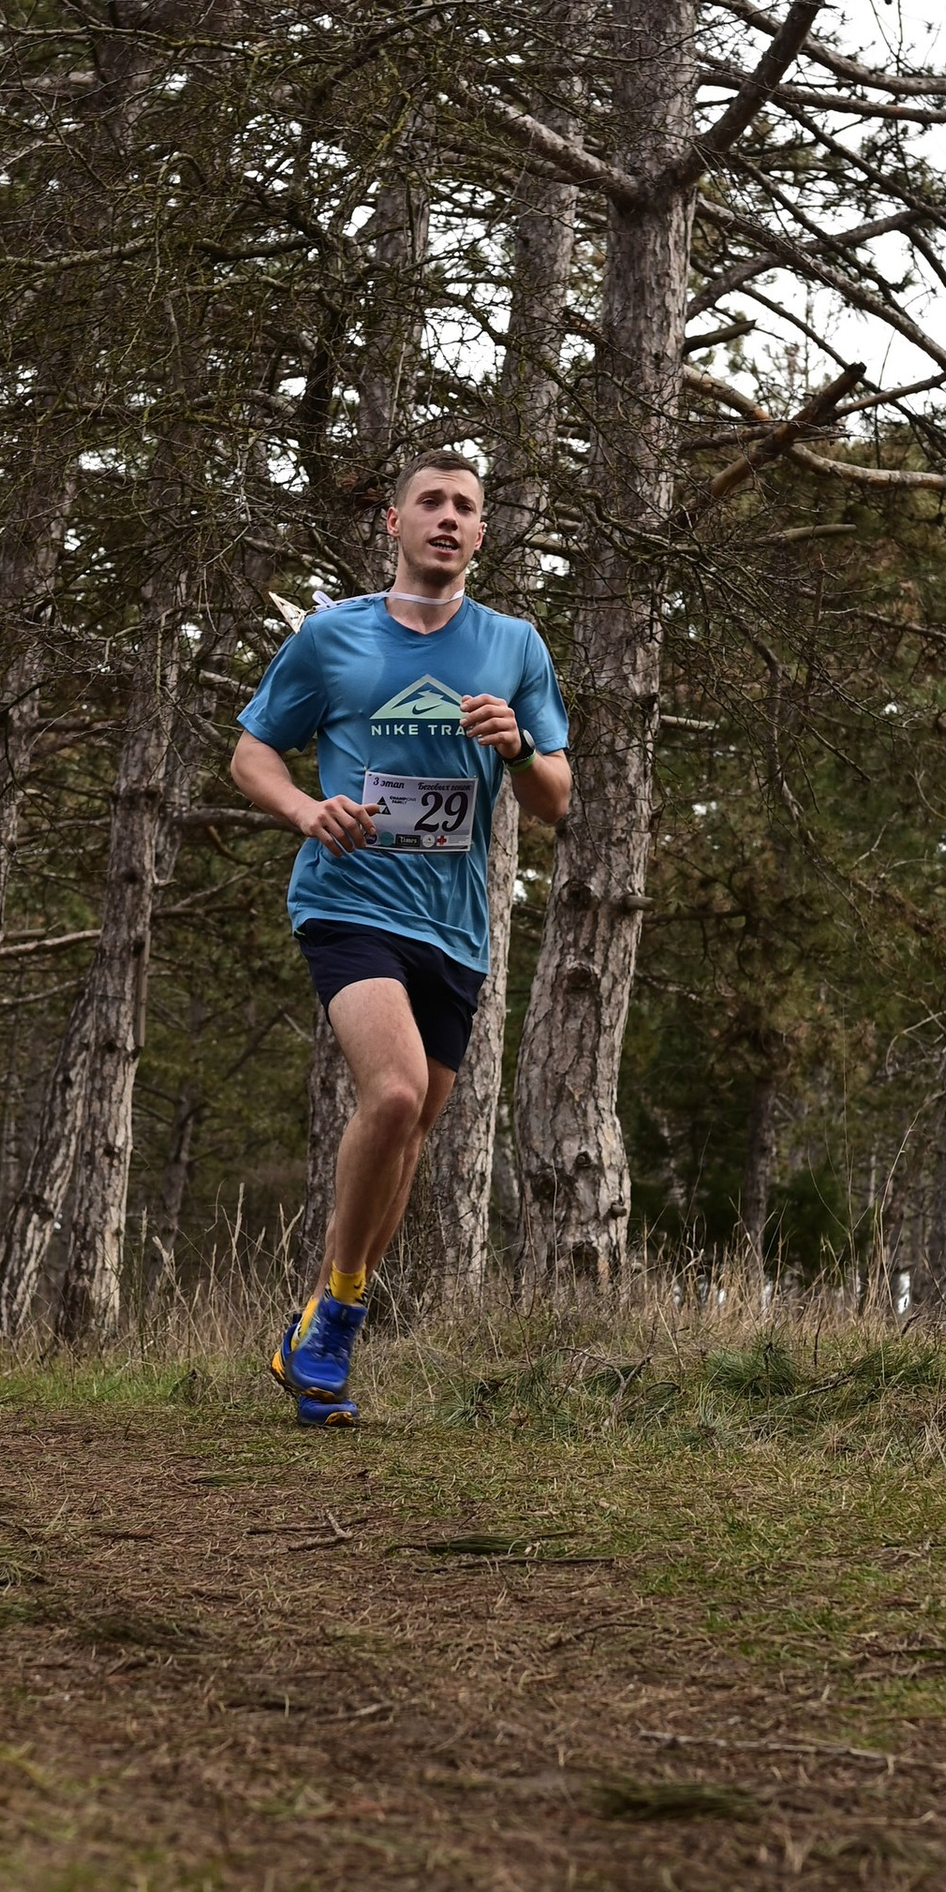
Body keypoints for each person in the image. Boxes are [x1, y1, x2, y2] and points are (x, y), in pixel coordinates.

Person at [229, 451, 571, 1424]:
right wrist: (304, 810)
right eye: (431, 502)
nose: (449, 518)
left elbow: (555, 798)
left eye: (467, 506)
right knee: (393, 1092)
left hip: (456, 929)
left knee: (413, 1133)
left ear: (481, 533)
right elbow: (251, 753)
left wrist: (516, 746)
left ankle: (316, 1329)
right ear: (394, 522)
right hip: (347, 900)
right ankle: (337, 1319)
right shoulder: (332, 637)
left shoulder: (513, 646)